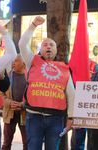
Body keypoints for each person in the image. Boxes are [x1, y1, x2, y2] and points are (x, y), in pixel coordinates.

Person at [18, 16, 75, 150]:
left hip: (56, 119)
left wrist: (71, 117)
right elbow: (22, 44)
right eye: (45, 44)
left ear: (56, 50)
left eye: (52, 45)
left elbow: (71, 94)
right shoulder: (32, 61)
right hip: (34, 117)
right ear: (40, 49)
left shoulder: (64, 68)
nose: (48, 47)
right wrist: (33, 25)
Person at [2, 54, 27, 150]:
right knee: (6, 143)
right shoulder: (7, 75)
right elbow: (1, 95)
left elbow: (32, 96)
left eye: (16, 61)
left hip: (24, 113)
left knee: (27, 142)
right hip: (10, 112)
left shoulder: (29, 77)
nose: (13, 63)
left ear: (23, 63)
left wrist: (23, 104)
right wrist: (9, 102)